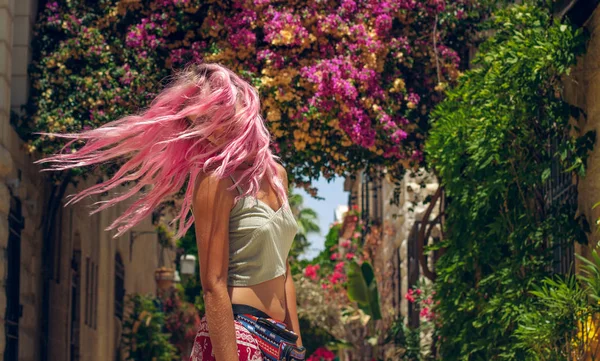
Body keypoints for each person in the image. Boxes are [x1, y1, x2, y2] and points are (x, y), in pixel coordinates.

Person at [37, 63, 305, 361]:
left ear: (236, 103)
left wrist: (297, 348)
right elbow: (213, 284)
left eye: (211, 114)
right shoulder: (216, 180)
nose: (211, 130)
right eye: (198, 122)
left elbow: (284, 269)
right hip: (237, 335)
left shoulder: (277, 175)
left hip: (277, 339)